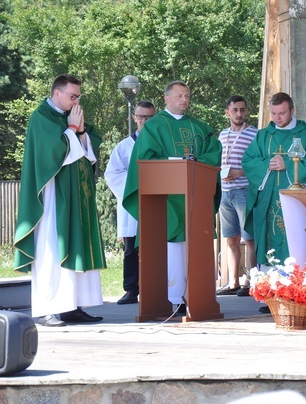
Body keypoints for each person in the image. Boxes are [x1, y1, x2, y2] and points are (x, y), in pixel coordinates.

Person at [13, 74, 106, 327]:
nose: (76, 101)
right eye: (72, 96)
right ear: (57, 93)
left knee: (75, 241)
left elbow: (90, 149)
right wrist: (73, 130)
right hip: (52, 196)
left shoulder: (71, 116)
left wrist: (82, 130)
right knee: (51, 247)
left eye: (78, 97)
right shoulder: (41, 117)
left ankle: (72, 306)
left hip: (76, 196)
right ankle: (48, 307)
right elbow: (52, 152)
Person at [122, 81, 222, 313]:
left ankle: (197, 298)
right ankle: (174, 298)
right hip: (166, 201)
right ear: (166, 99)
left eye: (187, 95)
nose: (184, 100)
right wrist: (173, 165)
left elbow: (214, 153)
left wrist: (194, 163)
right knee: (172, 250)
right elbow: (145, 160)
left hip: (195, 199)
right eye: (179, 96)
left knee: (195, 247)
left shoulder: (201, 127)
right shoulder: (153, 127)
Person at [242, 93, 306, 268]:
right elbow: (248, 161)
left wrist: (288, 165)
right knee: (269, 237)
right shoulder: (263, 135)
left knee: (294, 237)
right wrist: (266, 164)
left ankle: (297, 281)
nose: (277, 118)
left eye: (282, 113)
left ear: (292, 110)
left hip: (295, 198)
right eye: (274, 114)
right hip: (268, 199)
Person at [104, 100, 157, 305]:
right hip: (131, 203)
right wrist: (135, 182)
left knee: (155, 247)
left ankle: (156, 288)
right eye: (141, 116)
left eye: (149, 117)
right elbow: (112, 174)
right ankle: (131, 290)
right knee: (131, 249)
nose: (144, 120)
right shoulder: (123, 147)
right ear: (135, 118)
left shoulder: (159, 144)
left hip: (156, 201)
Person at [216, 95, 259, 297]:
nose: (239, 114)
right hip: (225, 193)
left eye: (242, 110)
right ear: (227, 113)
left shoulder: (254, 134)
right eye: (235, 110)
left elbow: (258, 164)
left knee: (249, 238)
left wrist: (239, 173)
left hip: (243, 190)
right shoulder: (222, 135)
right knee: (231, 238)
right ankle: (232, 282)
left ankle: (250, 282)